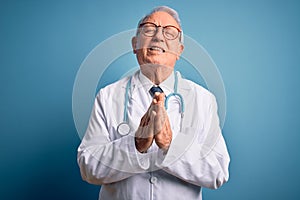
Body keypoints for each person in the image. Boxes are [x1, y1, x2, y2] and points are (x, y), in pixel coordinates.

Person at [77, 6, 230, 200]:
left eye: (169, 32)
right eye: (149, 29)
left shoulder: (203, 99)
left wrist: (170, 145)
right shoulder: (107, 96)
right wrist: (135, 145)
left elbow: (218, 172)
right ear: (135, 44)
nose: (158, 37)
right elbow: (88, 167)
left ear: (179, 50)